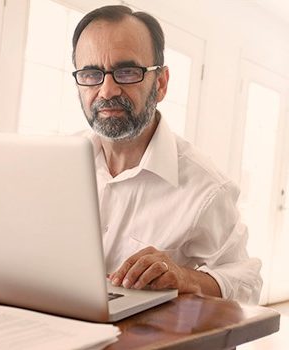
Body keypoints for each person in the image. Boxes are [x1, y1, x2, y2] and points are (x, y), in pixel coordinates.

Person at [71, 5, 262, 304]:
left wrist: (187, 278)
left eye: (126, 72)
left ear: (160, 84)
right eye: (92, 73)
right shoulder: (57, 165)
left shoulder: (207, 188)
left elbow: (249, 285)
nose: (107, 90)